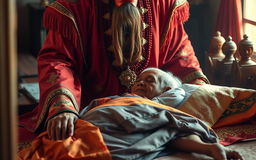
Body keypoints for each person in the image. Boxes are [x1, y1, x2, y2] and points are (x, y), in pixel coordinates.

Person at [18, 0, 210, 146]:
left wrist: (200, 93)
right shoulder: (78, 2)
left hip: (154, 113)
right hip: (92, 115)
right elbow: (57, 60)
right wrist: (63, 107)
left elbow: (181, 56)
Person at [77, 67, 243, 160]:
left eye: (150, 81)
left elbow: (177, 101)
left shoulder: (164, 102)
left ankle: (209, 149)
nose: (141, 83)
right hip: (101, 119)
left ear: (166, 90)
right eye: (139, 80)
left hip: (139, 113)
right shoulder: (120, 98)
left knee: (172, 125)